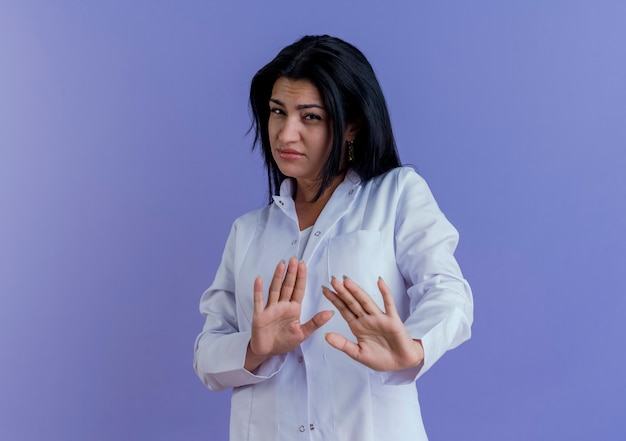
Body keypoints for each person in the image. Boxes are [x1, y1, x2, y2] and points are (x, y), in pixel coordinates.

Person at [193, 35, 473, 441]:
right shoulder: (248, 231)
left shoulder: (396, 195)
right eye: (277, 112)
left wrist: (413, 346)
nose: (286, 134)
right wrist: (256, 348)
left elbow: (450, 292)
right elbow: (207, 355)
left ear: (352, 124)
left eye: (310, 117)